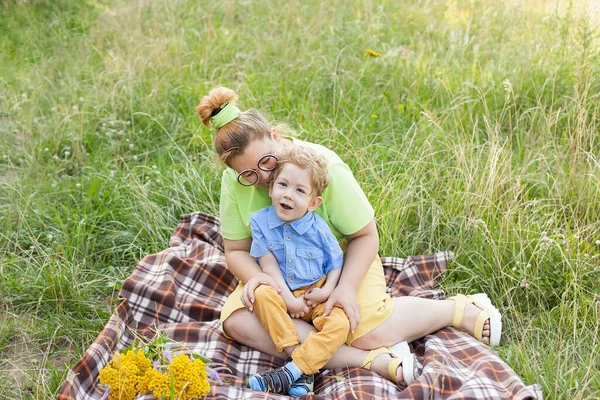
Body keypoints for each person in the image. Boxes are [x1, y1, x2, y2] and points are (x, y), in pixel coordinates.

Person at [196, 86, 502, 388]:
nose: (263, 179)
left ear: (276, 137)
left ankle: (456, 309)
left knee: (363, 329)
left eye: (266, 163)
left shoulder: (321, 168)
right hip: (276, 266)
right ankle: (367, 360)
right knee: (236, 321)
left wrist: (344, 289)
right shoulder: (235, 181)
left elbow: (366, 236)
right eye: (248, 175)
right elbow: (236, 250)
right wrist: (262, 281)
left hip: (335, 261)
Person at [245, 145, 418, 395]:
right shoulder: (260, 222)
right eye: (282, 185)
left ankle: (291, 372)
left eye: (300, 191)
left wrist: (326, 291)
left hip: (316, 292)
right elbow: (268, 264)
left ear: (314, 202)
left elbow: (336, 262)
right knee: (260, 295)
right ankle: (303, 366)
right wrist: (288, 300)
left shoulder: (319, 228)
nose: (288, 195)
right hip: (282, 290)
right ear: (271, 188)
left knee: (342, 321)